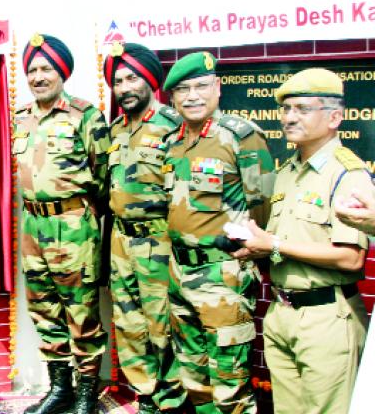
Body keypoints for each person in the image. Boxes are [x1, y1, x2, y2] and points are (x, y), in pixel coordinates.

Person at [230, 68, 372, 414]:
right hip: (283, 312)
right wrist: (255, 246)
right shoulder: (287, 173)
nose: (289, 118)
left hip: (326, 317)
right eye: (286, 109)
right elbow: (285, 239)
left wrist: (275, 245)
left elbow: (351, 259)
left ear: (335, 117)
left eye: (302, 109)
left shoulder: (347, 174)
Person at [161, 52, 274, 414]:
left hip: (223, 274)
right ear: (172, 98)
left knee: (230, 384)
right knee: (194, 378)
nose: (192, 96)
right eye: (183, 89)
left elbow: (264, 204)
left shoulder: (241, 137)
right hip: (180, 274)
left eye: (201, 86)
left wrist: (254, 254)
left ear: (218, 88)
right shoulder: (172, 142)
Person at [13, 33, 109, 414]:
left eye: (46, 68)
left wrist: (83, 218)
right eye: (32, 70)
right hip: (33, 227)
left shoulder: (85, 116)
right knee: (45, 311)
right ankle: (60, 390)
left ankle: (86, 395)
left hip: (73, 227)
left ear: (62, 73)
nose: (39, 76)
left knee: (81, 314)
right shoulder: (20, 117)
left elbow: (103, 178)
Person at [103, 42, 188, 414]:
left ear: (151, 80)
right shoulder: (115, 129)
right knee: (129, 324)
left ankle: (172, 402)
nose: (124, 87)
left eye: (132, 78)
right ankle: (147, 397)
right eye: (118, 80)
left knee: (163, 326)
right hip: (121, 241)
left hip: (160, 241)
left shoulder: (173, 125)